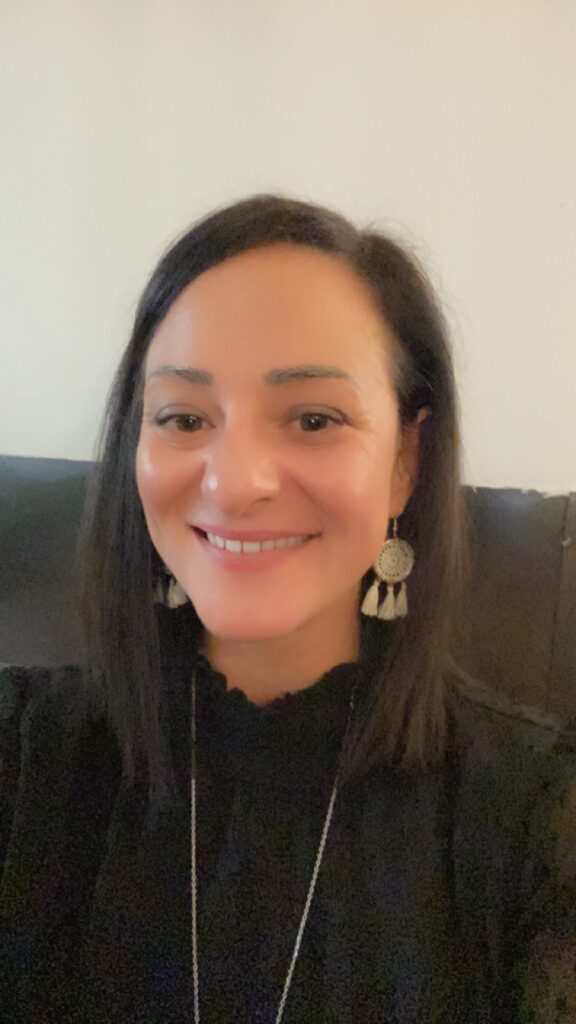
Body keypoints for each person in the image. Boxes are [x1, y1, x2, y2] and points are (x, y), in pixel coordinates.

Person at [1, 194, 575, 1024]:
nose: (236, 482)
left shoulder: (536, 816)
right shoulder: (24, 758)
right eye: (184, 417)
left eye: (313, 418)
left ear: (405, 463)